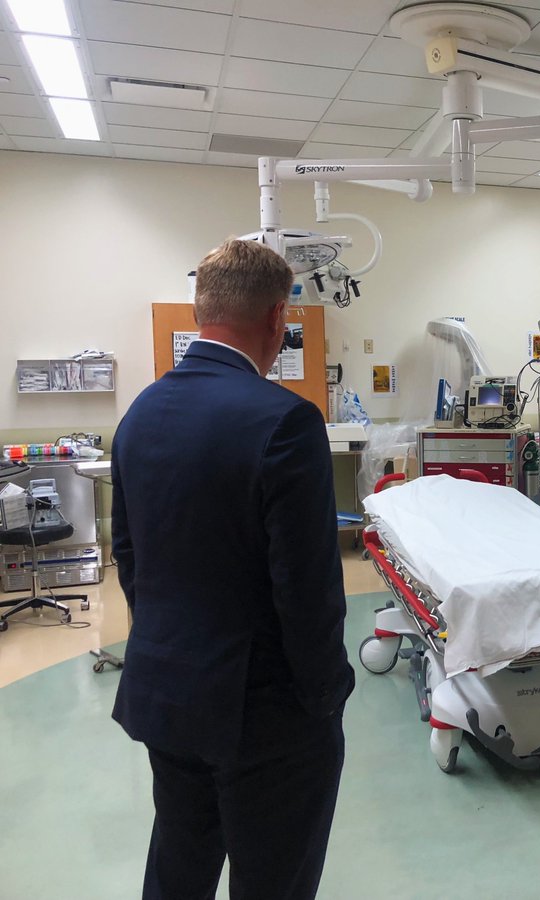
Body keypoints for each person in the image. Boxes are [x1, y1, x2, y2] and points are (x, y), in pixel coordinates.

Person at [111, 238, 355, 900]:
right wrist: (326, 698)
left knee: (179, 869)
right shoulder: (286, 421)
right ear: (279, 318)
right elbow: (306, 590)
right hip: (264, 715)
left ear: (200, 311)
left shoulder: (140, 414)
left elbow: (128, 556)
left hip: (167, 696)